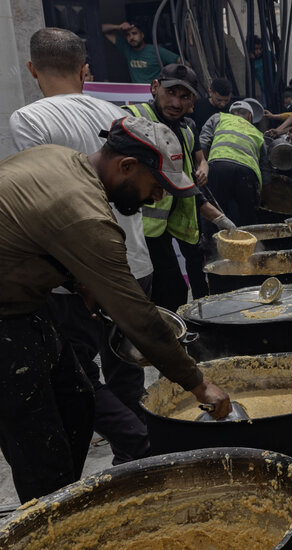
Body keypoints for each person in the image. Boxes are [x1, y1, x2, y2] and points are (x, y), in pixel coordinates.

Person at [0, 116, 232, 502]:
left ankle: (67, 500)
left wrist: (79, 281)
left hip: (23, 304)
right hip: (6, 320)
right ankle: (51, 520)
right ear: (126, 166)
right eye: (156, 185)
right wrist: (198, 383)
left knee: (77, 397)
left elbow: (26, 230)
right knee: (39, 446)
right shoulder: (87, 213)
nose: (157, 197)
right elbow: (138, 315)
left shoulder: (61, 158)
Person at [9, 27, 155, 465]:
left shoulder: (29, 119)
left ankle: (136, 447)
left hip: (76, 276)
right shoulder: (118, 113)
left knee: (75, 371)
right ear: (85, 70)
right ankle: (137, 456)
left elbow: (44, 207)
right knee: (126, 366)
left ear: (32, 69)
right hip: (134, 261)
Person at [123, 63, 234, 310]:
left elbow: (184, 184)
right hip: (134, 231)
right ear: (155, 87)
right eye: (170, 92)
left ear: (192, 101)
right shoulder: (132, 119)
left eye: (184, 96)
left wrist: (220, 220)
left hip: (162, 229)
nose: (176, 102)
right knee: (145, 301)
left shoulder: (186, 130)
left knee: (174, 292)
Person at [199, 101, 265, 226]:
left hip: (218, 167)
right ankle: (247, 244)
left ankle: (211, 243)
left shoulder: (219, 117)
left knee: (214, 214)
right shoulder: (257, 133)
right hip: (247, 172)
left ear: (230, 113)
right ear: (250, 116)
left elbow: (203, 143)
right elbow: (265, 167)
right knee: (246, 219)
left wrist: (204, 166)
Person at [101, 22, 179, 83]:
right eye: (128, 35)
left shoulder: (154, 50)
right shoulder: (127, 48)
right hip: (137, 94)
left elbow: (180, 61)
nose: (131, 37)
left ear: (142, 35)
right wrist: (118, 27)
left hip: (154, 93)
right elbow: (101, 29)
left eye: (134, 33)